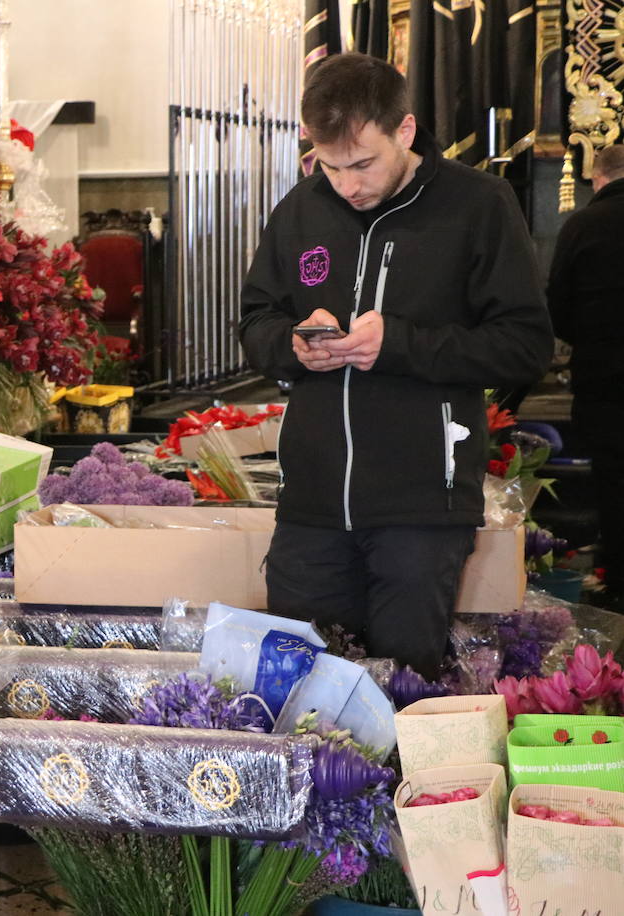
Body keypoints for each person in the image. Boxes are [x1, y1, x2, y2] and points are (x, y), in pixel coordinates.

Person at [238, 53, 554, 678]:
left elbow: (525, 345)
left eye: (363, 163)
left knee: (401, 693)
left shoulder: (478, 205)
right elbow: (255, 322)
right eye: (329, 166)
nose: (347, 184)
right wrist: (293, 346)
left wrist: (400, 344)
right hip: (312, 507)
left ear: (405, 131)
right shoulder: (300, 210)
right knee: (299, 695)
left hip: (423, 507)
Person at [546, 144, 624, 600]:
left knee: (613, 478)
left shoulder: (582, 225)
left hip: (604, 379)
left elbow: (558, 311)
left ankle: (617, 579)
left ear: (597, 179)